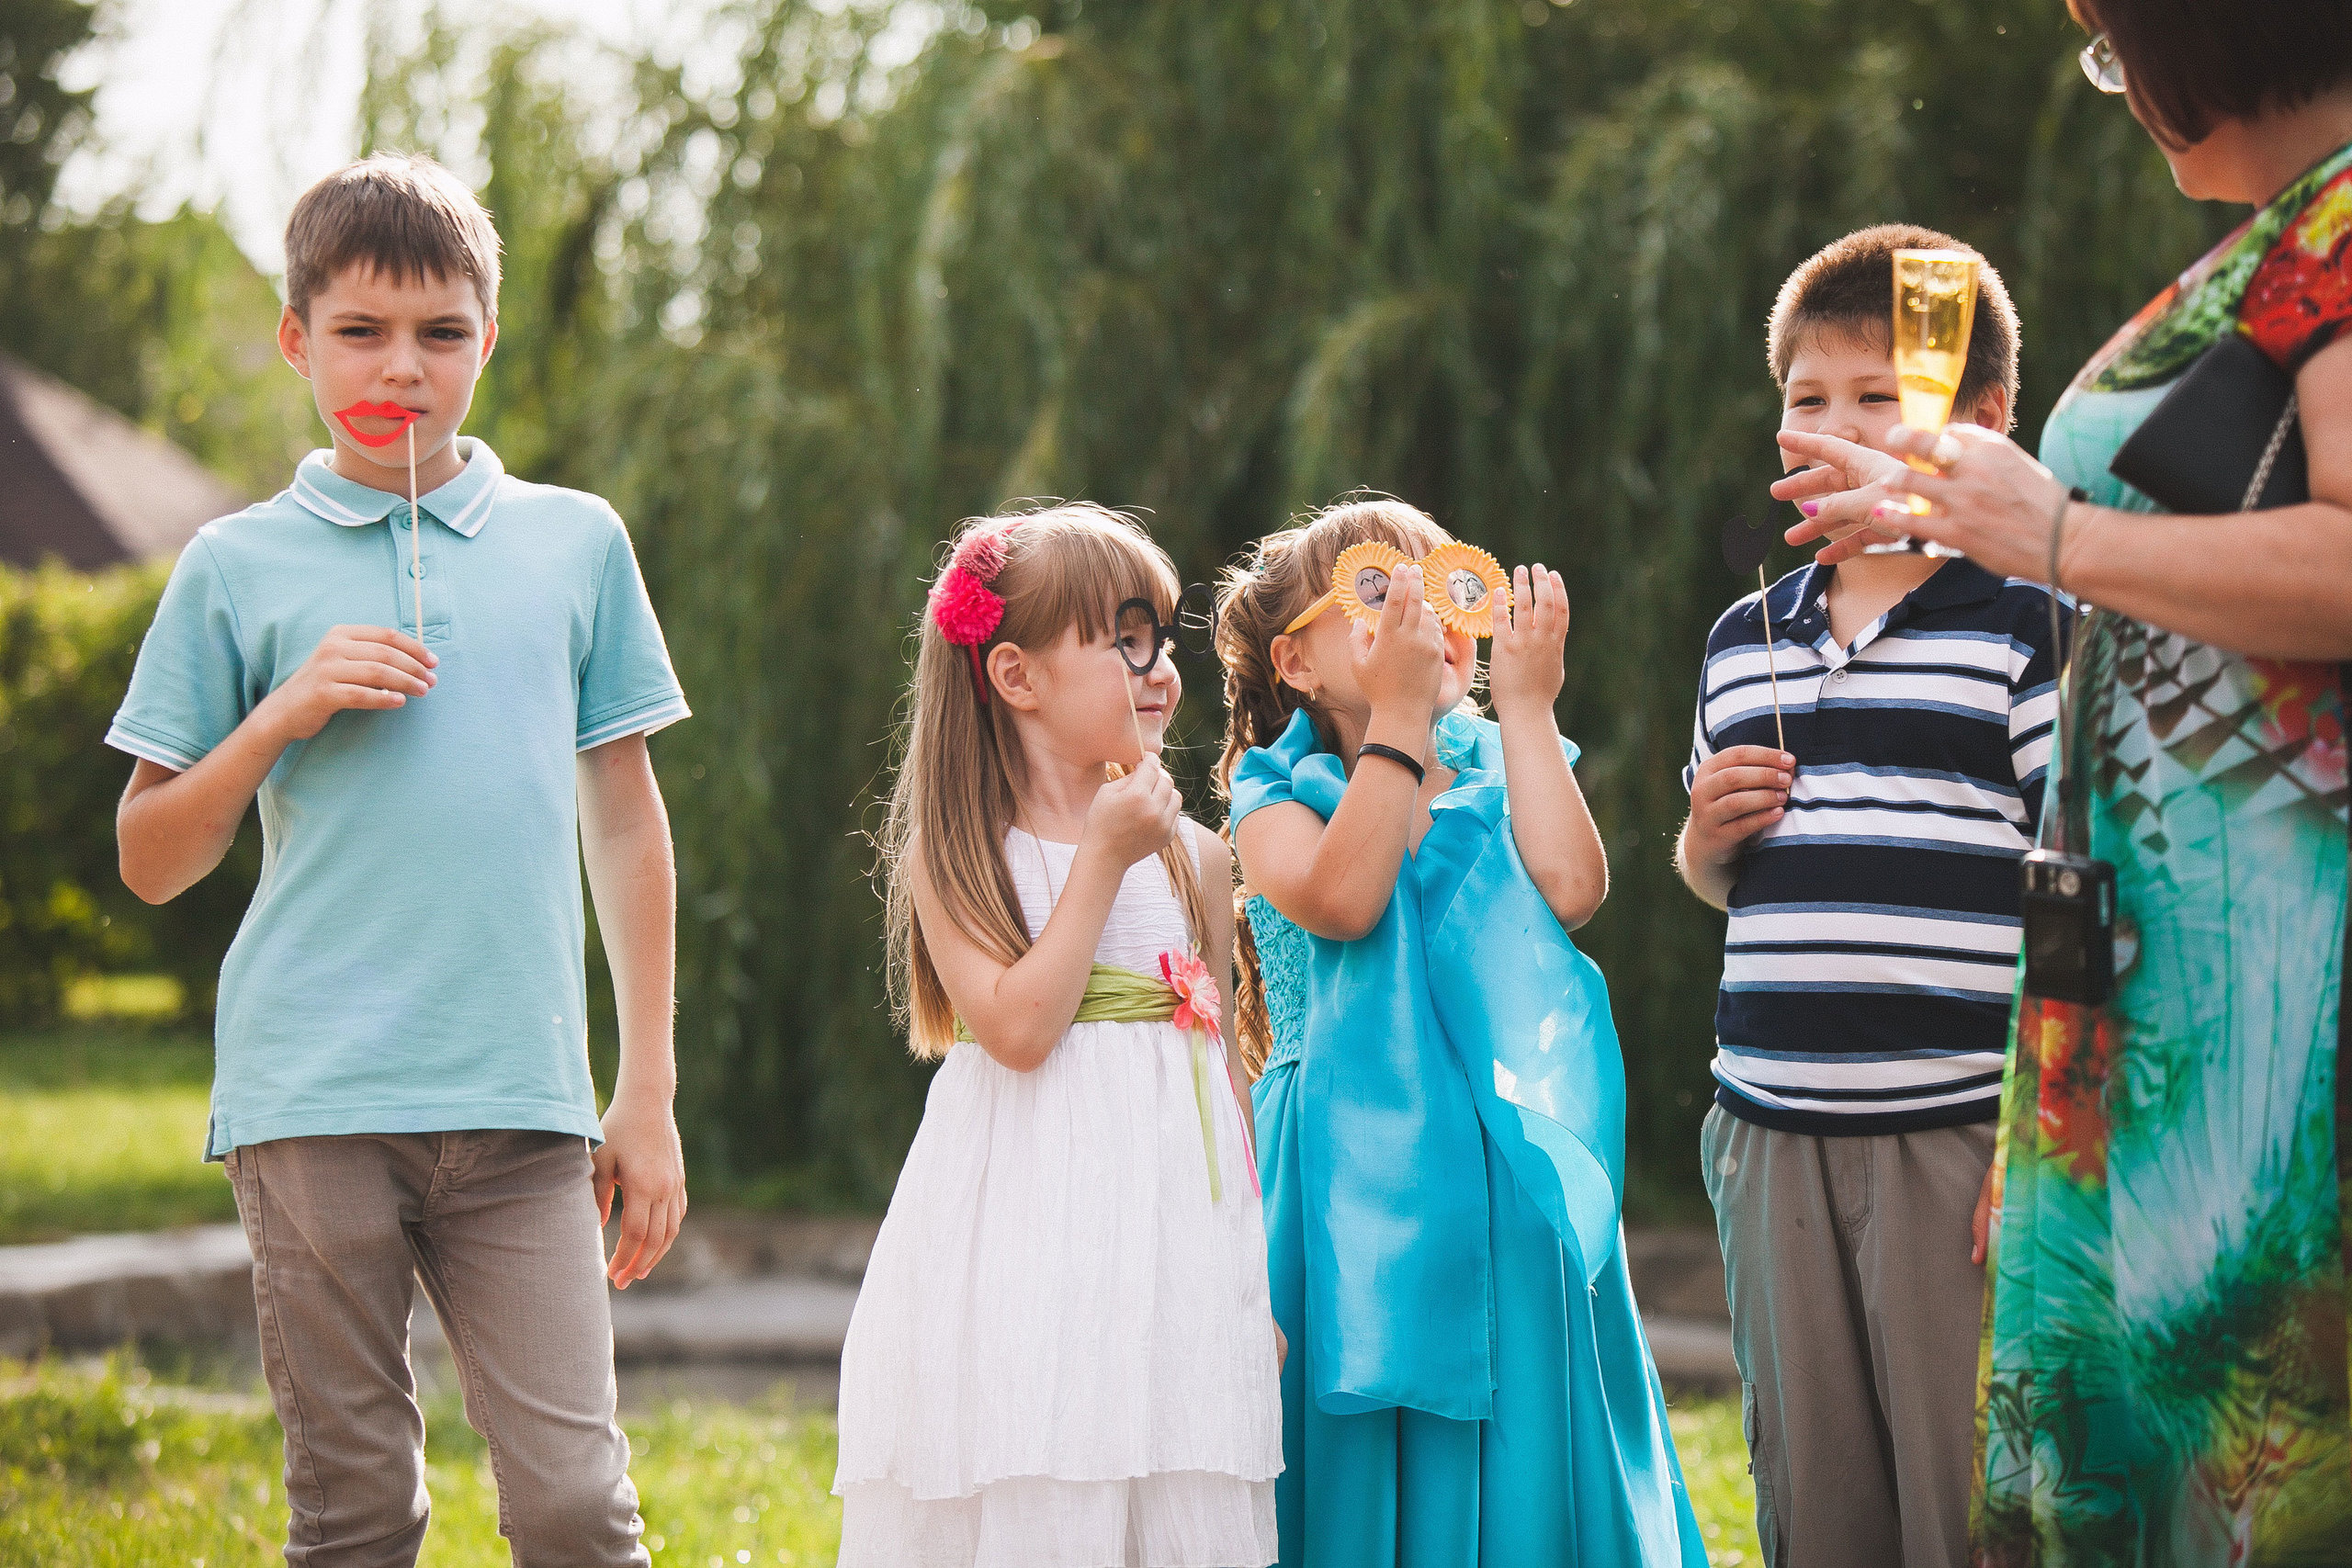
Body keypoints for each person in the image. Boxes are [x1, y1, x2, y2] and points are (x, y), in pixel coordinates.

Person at [1781, 6, 2352, 1559]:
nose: (2114, 86)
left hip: (2286, 977)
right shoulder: (2293, 232)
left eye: (2116, 46)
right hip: (2171, 960)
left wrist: (2053, 536)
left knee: (2259, 1431)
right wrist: (1964, 515)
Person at [107, 153, 689, 1565]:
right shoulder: (233, 564)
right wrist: (285, 709)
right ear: (297, 339)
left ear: (485, 339)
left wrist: (649, 1085)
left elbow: (624, 815)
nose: (402, 368)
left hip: (524, 1096)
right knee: (356, 1509)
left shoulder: (574, 544)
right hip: (312, 1094)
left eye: (439, 332)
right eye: (360, 331)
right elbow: (151, 856)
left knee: (573, 1505)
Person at [1216, 496, 1703, 1568]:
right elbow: (1344, 899)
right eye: (1378, 596)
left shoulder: (1497, 759)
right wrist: (1396, 726)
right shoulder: (1272, 797)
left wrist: (1527, 712)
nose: (1424, 618)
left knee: (1527, 1424)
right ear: (1296, 664)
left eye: (1445, 592)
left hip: (1503, 1165)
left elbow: (1572, 888)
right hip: (1341, 1183)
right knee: (1352, 1450)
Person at [1681, 224, 2063, 1568]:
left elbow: (2076, 885)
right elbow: (1724, 879)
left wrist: (2044, 1131)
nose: (1832, 427)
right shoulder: (1748, 635)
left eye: (1877, 397)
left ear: (1985, 419)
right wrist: (1702, 834)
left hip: (1955, 1130)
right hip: (1772, 1120)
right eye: (1806, 397)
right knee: (1815, 1502)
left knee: (1966, 1506)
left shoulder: (2027, 617)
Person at [836, 503, 1282, 1568]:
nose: (1157, 666)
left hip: (1172, 1228)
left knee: (1169, 1470)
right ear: (1016, 676)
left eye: (1162, 638)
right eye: (1122, 638)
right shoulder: (958, 857)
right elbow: (1021, 1030)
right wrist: (1100, 858)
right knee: (1040, 1459)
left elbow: (1221, 1075)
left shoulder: (1198, 860)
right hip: (1027, 1231)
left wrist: (1247, 1275)